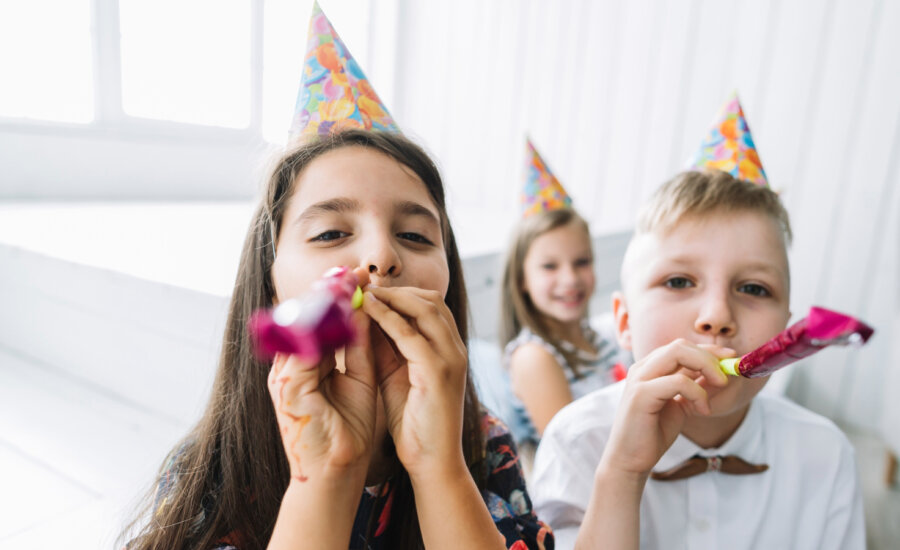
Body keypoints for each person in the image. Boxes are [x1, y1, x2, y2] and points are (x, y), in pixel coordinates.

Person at [119, 5, 552, 550]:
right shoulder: (209, 475)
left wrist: (438, 468)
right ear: (272, 284)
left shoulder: (483, 442)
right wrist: (323, 478)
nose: (379, 257)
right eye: (329, 234)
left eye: (416, 236)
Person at [530, 96, 864, 550]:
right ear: (624, 321)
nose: (717, 317)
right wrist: (622, 474)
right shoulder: (577, 442)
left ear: (787, 333)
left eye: (753, 288)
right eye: (679, 280)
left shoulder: (826, 454)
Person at [499, 140, 627, 452]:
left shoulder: (599, 339)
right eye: (549, 266)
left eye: (582, 262)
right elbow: (574, 451)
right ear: (522, 280)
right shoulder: (533, 357)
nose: (570, 279)